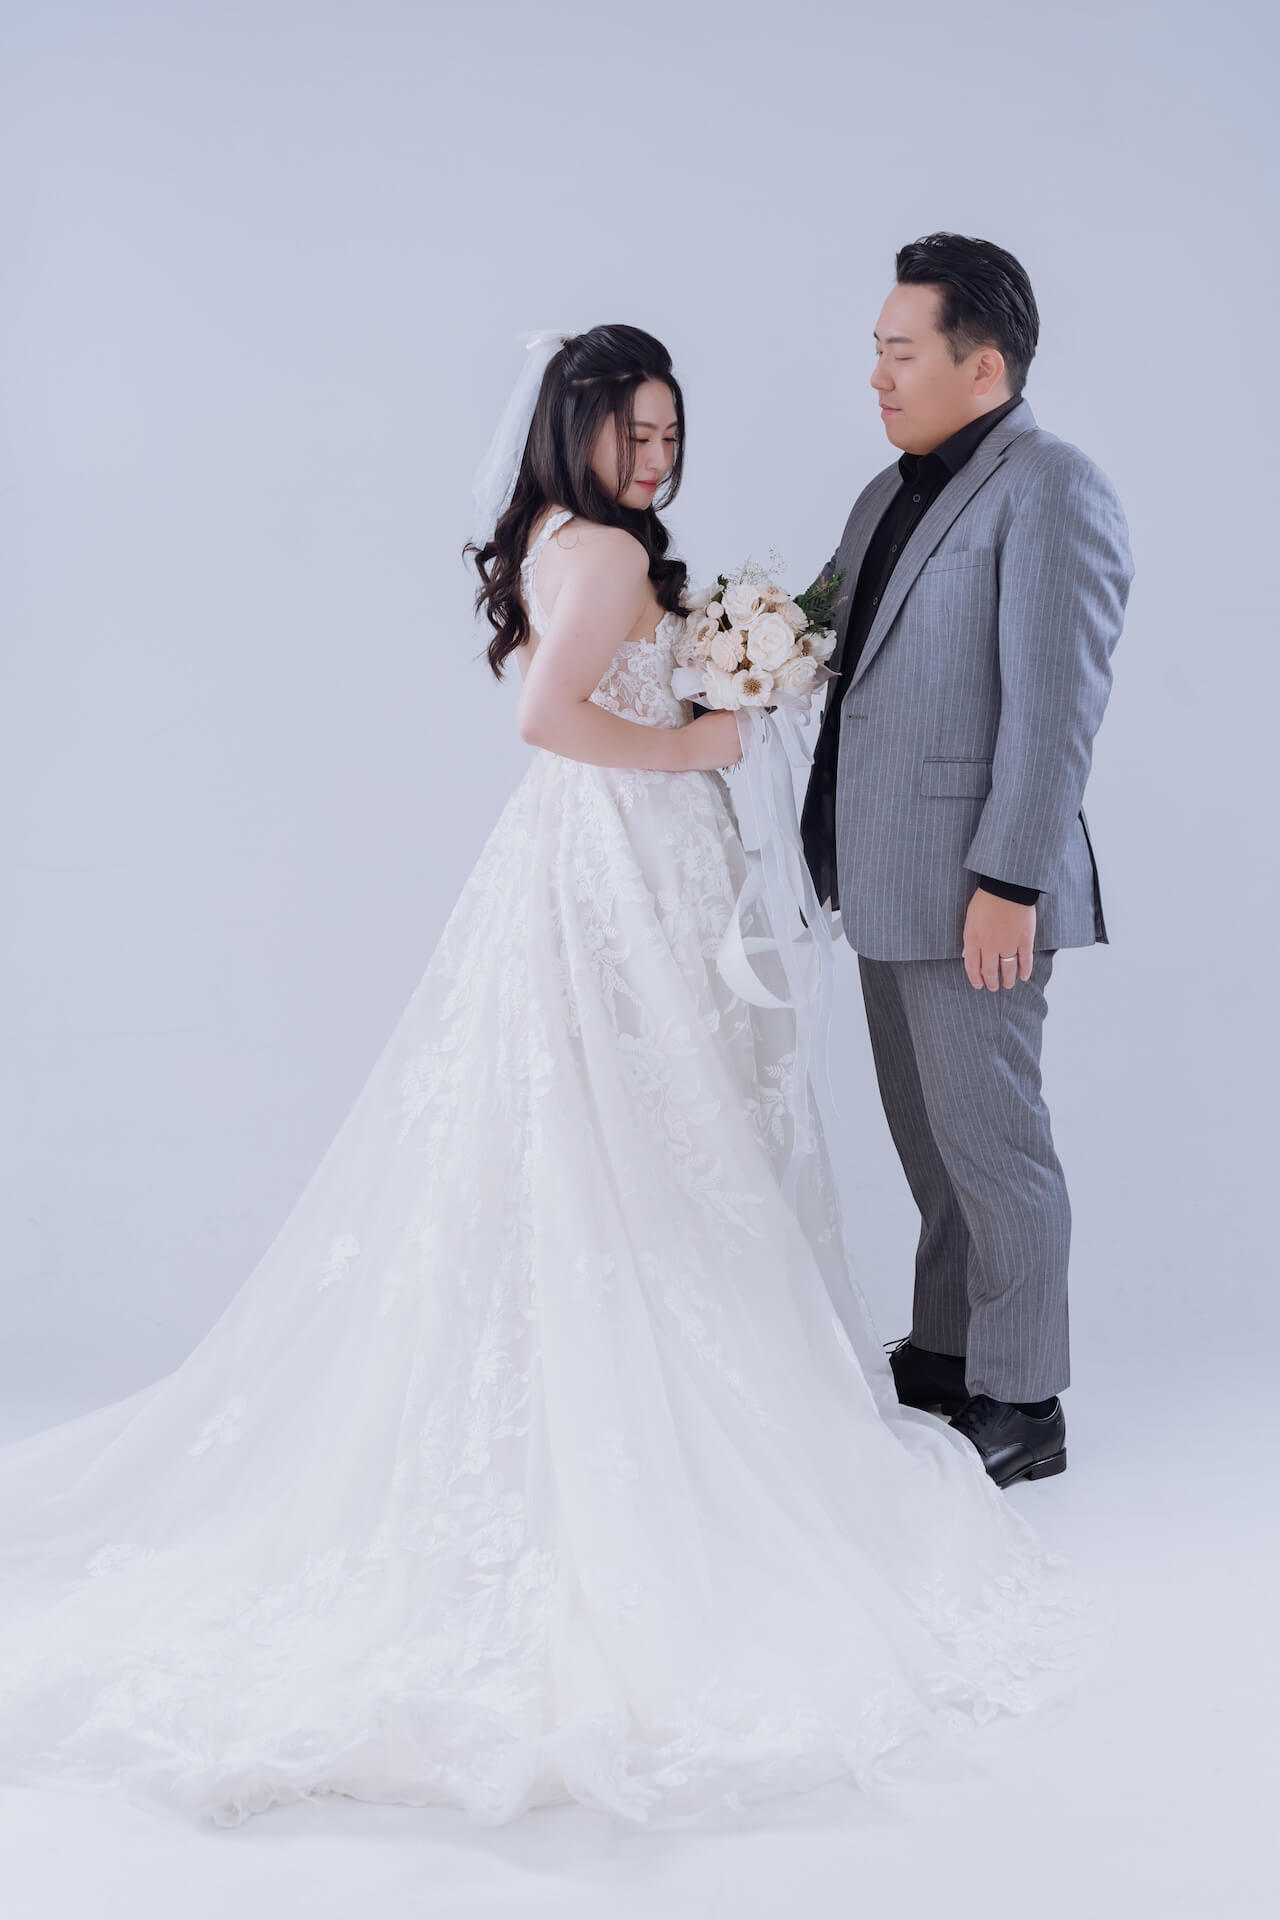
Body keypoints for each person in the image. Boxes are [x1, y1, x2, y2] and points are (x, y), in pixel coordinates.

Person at [0, 323, 1086, 1833]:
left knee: (619, 1115)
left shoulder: (563, 539)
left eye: (668, 433)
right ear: (570, 430)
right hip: (621, 855)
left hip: (605, 854)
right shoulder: (608, 556)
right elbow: (546, 719)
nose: (654, 459)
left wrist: (721, 701)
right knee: (637, 1115)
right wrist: (700, 746)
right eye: (630, 433)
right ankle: (653, 1375)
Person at [800, 235, 1135, 1487]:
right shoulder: (887, 492)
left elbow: (1055, 709)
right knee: (931, 1144)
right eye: (875, 353)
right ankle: (947, 1351)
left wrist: (1010, 884)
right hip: (885, 876)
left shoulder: (1051, 486)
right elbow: (812, 635)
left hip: (976, 891)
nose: (876, 377)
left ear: (980, 365)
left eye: (899, 353)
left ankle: (1024, 1400)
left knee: (994, 1148)